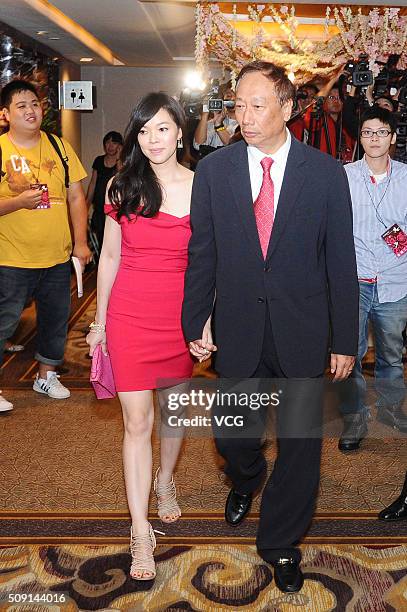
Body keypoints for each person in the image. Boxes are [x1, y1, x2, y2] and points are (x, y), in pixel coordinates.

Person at [182, 60, 359, 594]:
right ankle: (247, 476)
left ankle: (280, 543)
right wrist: (197, 317)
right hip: (237, 327)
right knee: (233, 434)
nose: (245, 114)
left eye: (257, 105)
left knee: (302, 446)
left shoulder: (326, 173)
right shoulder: (215, 171)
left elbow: (339, 261)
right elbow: (202, 253)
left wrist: (344, 340)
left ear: (286, 108)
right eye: (239, 103)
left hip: (303, 329)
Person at [86, 92, 194, 581]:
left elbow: (206, 264)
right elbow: (109, 259)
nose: (153, 139)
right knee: (136, 422)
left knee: (173, 414)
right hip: (130, 315)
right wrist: (100, 322)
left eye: (163, 128)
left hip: (178, 319)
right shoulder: (119, 186)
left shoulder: (201, 185)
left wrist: (205, 320)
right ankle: (139, 531)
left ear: (180, 132)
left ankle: (165, 479)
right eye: (144, 130)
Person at [0, 79, 91, 412]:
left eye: (35, 104)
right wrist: (17, 202)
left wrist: (80, 243)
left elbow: (76, 195)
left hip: (56, 256)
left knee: (55, 320)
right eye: (21, 106)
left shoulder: (59, 146)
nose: (30, 110)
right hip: (11, 258)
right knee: (4, 323)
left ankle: (46, 375)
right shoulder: (1, 149)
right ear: (5, 114)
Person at [339, 106, 407, 451]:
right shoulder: (344, 176)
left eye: (382, 132)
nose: (375, 139)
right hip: (355, 278)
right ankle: (355, 418)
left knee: (391, 353)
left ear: (392, 138)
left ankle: (390, 409)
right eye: (368, 132)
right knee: (348, 353)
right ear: (360, 137)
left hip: (396, 279)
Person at [85, 131, 123, 253]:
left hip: (116, 211)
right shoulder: (98, 161)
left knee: (115, 244)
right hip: (99, 211)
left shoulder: (123, 162)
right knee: (102, 243)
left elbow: (121, 180)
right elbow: (92, 184)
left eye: (114, 143)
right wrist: (85, 207)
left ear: (120, 146)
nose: (110, 146)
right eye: (107, 142)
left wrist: (119, 158)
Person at [193, 83, 238, 156]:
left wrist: (219, 126)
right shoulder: (213, 121)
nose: (231, 98)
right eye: (228, 95)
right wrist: (205, 114)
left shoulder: (247, 123)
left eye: (235, 93)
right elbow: (198, 145)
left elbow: (234, 147)